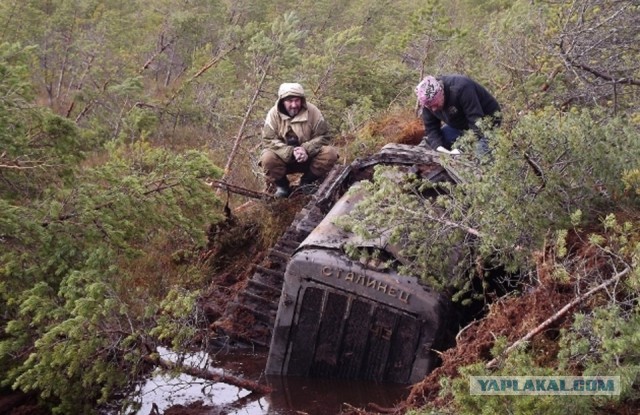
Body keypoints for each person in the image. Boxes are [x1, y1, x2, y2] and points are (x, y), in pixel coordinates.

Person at [260, 82, 338, 198]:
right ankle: (283, 187)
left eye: (297, 100)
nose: (294, 105)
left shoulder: (313, 111)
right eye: (289, 101)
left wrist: (306, 149)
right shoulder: (273, 115)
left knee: (330, 153)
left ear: (302, 100)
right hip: (284, 160)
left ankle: (306, 182)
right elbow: (268, 140)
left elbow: (323, 136)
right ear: (282, 101)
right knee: (267, 158)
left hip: (309, 158)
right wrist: (290, 152)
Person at [415, 74, 501, 157]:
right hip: (459, 125)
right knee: (432, 144)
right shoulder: (427, 101)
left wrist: (461, 149)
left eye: (436, 104)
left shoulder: (462, 88)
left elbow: (477, 123)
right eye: (430, 107)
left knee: (480, 154)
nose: (433, 109)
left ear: (441, 92)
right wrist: (439, 148)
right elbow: (431, 129)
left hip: (486, 122)